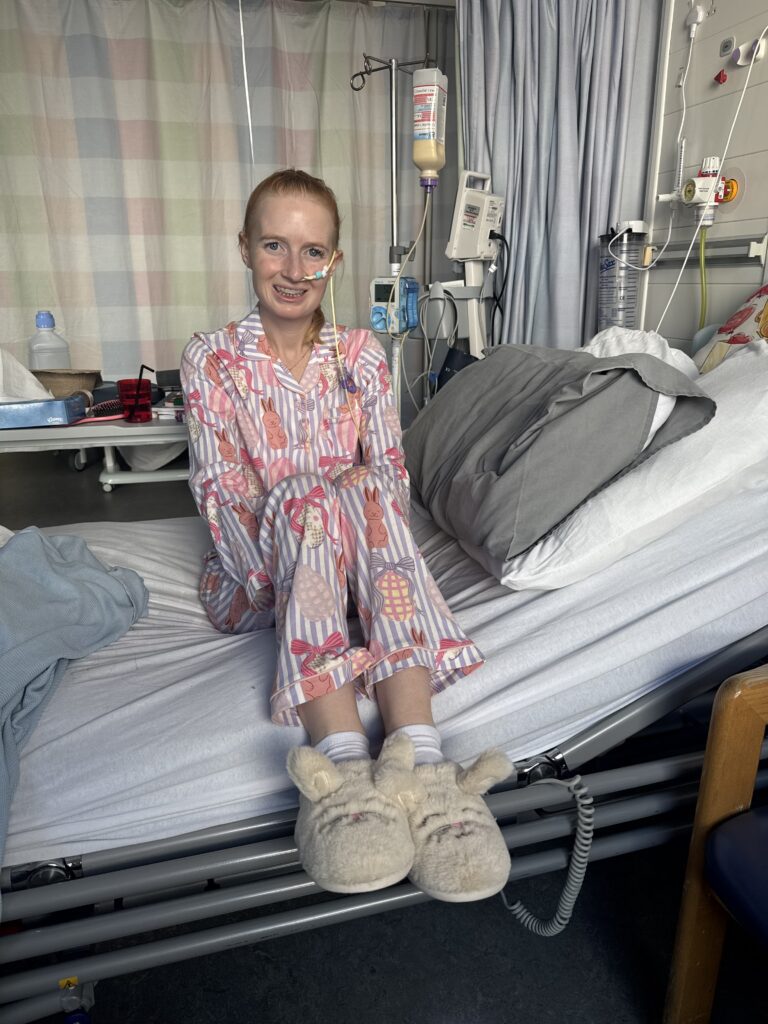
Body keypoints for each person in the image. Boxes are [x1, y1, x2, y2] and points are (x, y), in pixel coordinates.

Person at [181, 169, 511, 901]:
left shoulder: (362, 355)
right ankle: (339, 765)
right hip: (265, 574)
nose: (293, 270)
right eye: (275, 245)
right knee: (307, 498)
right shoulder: (213, 360)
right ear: (244, 249)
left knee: (364, 490)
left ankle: (423, 764)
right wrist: (306, 575)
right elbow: (220, 493)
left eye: (312, 251)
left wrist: (351, 528)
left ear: (333, 259)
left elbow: (391, 475)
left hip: (368, 577)